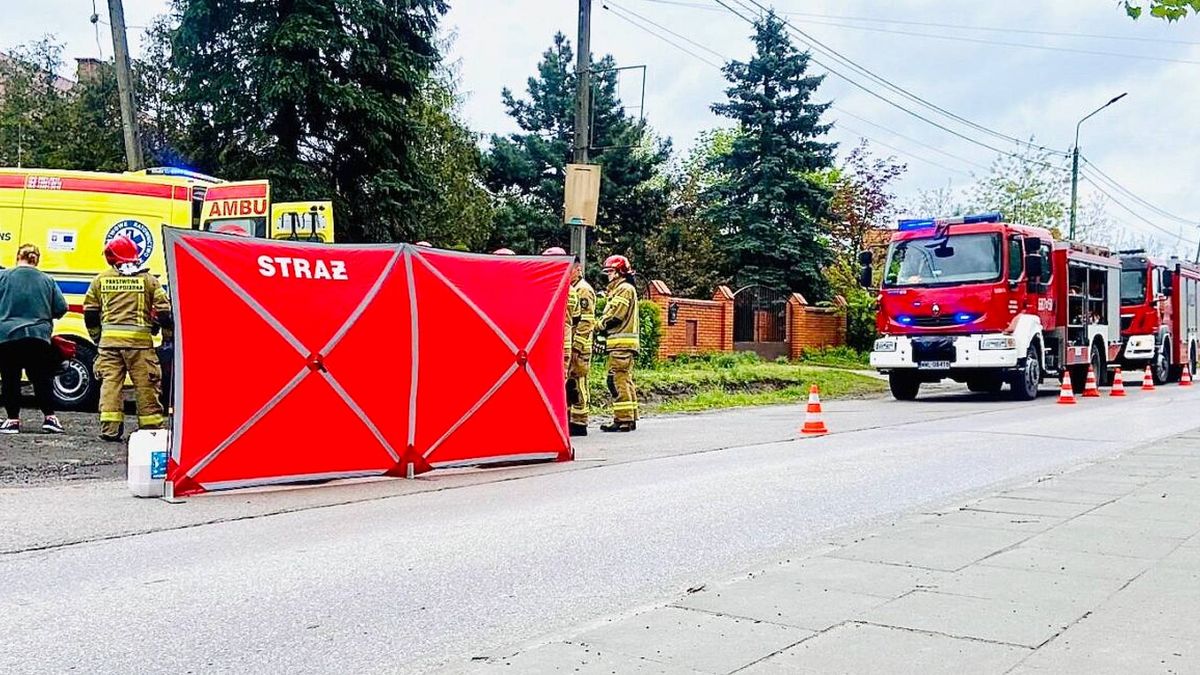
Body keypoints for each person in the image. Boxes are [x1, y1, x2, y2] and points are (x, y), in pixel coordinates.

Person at [83, 236, 172, 442]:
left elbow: (90, 314)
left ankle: (110, 429)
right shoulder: (149, 280)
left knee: (110, 386)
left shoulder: (100, 280)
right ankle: (150, 428)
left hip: (109, 346)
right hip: (139, 346)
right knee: (146, 385)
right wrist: (166, 337)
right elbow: (164, 312)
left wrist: (97, 339)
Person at [0, 244, 68, 434]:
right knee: (41, 379)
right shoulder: (47, 280)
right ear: (36, 259)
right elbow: (61, 307)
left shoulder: (3, 277)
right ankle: (50, 418)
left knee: (10, 379)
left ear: (18, 256)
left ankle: (12, 421)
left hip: (7, 337)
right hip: (38, 336)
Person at [598, 254, 639, 432]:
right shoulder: (623, 289)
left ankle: (622, 419)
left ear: (619, 272)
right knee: (624, 379)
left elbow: (615, 315)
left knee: (615, 381)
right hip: (623, 345)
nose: (607, 275)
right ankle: (629, 418)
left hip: (620, 344)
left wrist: (598, 325)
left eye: (610, 271)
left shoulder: (624, 289)